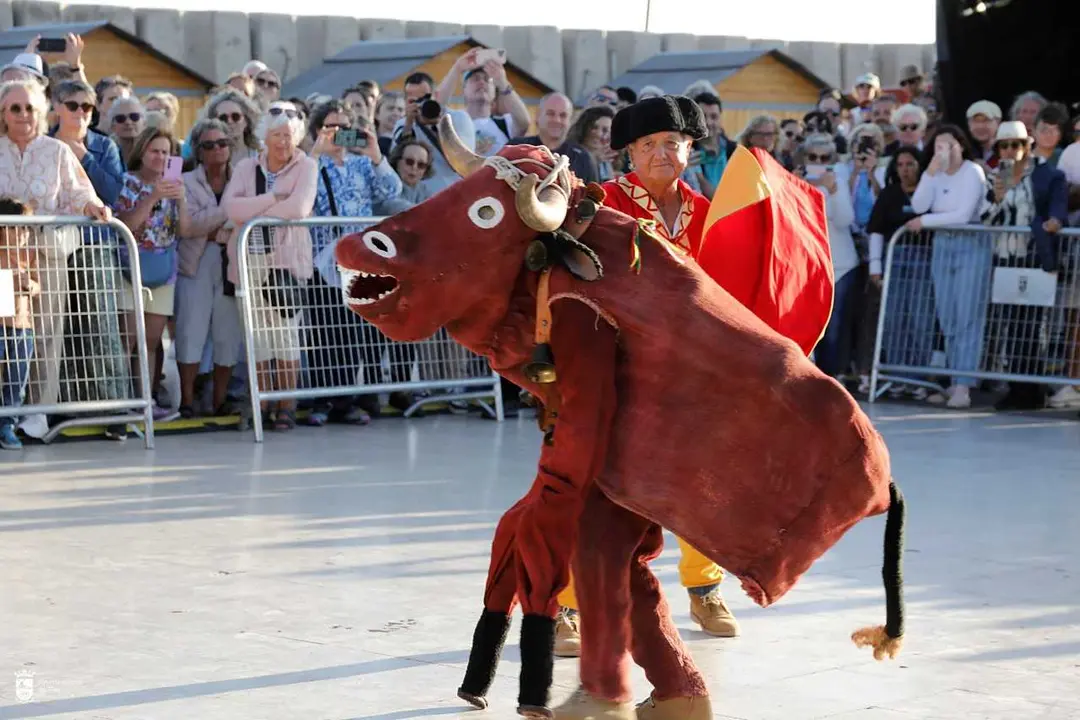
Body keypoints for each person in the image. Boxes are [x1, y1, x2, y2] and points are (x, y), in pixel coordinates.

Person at [0, 80, 110, 440]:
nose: (23, 115)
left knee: (45, 334)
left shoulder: (57, 150)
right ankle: (5, 413)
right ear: (3, 113)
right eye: (15, 108)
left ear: (42, 112)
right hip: (2, 259)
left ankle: (35, 415)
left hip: (45, 253)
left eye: (30, 107)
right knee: (8, 334)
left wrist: (91, 206)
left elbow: (79, 190)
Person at [305, 100, 404, 425]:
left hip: (361, 260)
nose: (338, 133)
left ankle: (349, 401)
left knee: (355, 333)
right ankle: (323, 401)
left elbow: (392, 189)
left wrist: (375, 153)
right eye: (330, 127)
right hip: (323, 260)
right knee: (326, 334)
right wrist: (316, 154)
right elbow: (301, 196)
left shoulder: (362, 164)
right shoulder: (309, 164)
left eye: (344, 127)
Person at [223, 101, 317, 431]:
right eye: (276, 134)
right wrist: (271, 200)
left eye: (288, 135)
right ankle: (261, 404)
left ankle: (286, 406)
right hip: (248, 263)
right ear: (265, 136)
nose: (282, 141)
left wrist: (253, 213)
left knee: (285, 337)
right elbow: (231, 208)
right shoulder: (246, 169)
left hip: (286, 265)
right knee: (258, 339)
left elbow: (300, 207)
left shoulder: (307, 167)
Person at [981, 120, 1068, 410]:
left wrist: (1054, 221)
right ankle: (1017, 389)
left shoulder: (1048, 175)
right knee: (1011, 325)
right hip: (1005, 258)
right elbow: (985, 219)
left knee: (1033, 327)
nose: (1010, 150)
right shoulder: (995, 178)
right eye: (1003, 145)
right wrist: (997, 198)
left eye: (1016, 144)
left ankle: (1033, 391)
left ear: (1027, 146)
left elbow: (1058, 207)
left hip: (1035, 257)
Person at [907, 124, 989, 409]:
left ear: (961, 146)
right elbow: (918, 205)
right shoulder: (936, 173)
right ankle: (954, 378)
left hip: (970, 243)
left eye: (949, 145)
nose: (943, 150)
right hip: (942, 244)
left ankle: (964, 383)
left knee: (967, 316)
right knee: (948, 316)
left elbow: (963, 214)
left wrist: (927, 222)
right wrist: (930, 170)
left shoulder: (972, 172)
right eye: (938, 145)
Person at [115, 126, 192, 419]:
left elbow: (184, 229)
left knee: (150, 342)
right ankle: (120, 400)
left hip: (164, 271)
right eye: (155, 150)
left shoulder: (175, 185)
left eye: (166, 152)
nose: (161, 157)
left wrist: (181, 199)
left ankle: (145, 402)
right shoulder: (127, 182)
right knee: (127, 339)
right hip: (130, 267)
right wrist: (152, 197)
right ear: (143, 152)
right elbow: (127, 223)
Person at [175, 118, 242, 417]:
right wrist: (225, 214)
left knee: (227, 332)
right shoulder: (184, 181)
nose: (217, 149)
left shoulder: (242, 180)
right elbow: (187, 227)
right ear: (198, 151)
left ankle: (220, 399)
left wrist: (210, 223)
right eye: (209, 145)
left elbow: (243, 220)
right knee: (191, 328)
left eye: (222, 143)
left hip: (231, 262)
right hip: (195, 263)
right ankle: (187, 400)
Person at [865, 146, 930, 398]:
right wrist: (875, 267)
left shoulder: (929, 192)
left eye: (910, 164)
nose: (905, 169)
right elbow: (876, 229)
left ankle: (919, 379)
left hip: (923, 263)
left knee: (920, 320)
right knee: (894, 320)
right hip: (895, 261)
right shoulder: (890, 194)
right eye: (900, 165)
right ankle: (896, 377)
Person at [0, 198, 37, 450]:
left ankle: (7, 424)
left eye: (26, 227)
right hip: (1, 323)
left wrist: (30, 285)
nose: (24, 233)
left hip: (23, 325)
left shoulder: (29, 254)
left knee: (17, 380)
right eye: (18, 227)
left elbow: (37, 285)